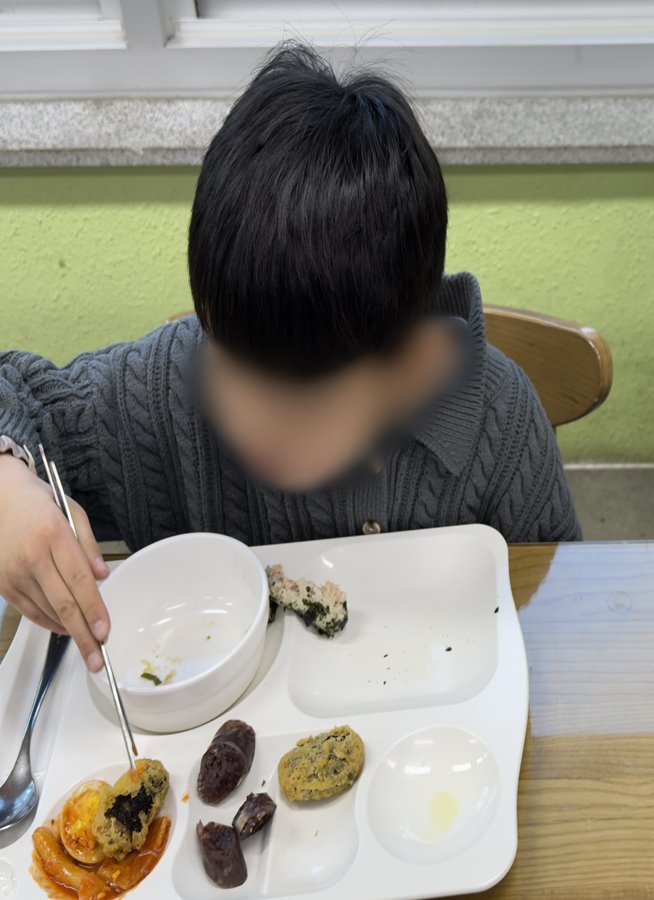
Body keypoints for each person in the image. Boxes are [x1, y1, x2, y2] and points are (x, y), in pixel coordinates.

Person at [0, 44, 579, 672]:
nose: (248, 417)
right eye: (230, 363)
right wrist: (7, 482)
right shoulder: (164, 395)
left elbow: (563, 607)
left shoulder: (500, 425)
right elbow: (16, 391)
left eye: (300, 402)